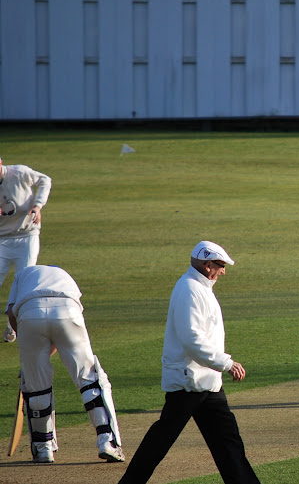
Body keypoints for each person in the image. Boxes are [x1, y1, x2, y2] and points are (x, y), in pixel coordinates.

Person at [119, 241, 259, 484]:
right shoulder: (190, 290)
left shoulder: (199, 287)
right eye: (221, 265)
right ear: (207, 265)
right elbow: (191, 339)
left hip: (206, 381)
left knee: (228, 442)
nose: (223, 271)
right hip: (189, 381)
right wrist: (226, 363)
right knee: (160, 441)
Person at [5, 265, 125, 463]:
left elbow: (12, 313)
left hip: (30, 314)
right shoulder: (63, 275)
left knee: (37, 386)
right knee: (88, 378)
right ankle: (107, 441)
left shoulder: (21, 276)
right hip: (67, 311)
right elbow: (57, 325)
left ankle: (43, 448)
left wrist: (29, 360)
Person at [1, 156, 52, 343]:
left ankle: (13, 326)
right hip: (1, 239)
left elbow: (45, 180)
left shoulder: (19, 173)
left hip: (27, 235)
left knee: (23, 281)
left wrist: (38, 206)